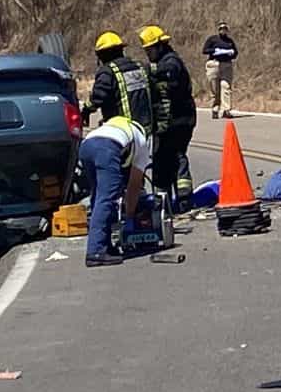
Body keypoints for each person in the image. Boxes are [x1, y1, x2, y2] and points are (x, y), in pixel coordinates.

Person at [77, 114, 151, 267]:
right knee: (107, 198)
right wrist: (129, 216)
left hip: (86, 146)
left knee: (97, 197)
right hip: (107, 148)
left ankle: (104, 245)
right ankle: (96, 251)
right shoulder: (142, 142)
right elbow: (134, 185)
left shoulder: (117, 125)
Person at [139, 25, 197, 204]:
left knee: (176, 156)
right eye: (146, 51)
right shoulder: (162, 62)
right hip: (167, 122)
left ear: (160, 46)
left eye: (150, 50)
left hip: (179, 120)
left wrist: (147, 69)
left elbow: (168, 72)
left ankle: (183, 198)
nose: (148, 54)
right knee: (163, 159)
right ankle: (165, 201)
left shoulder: (172, 61)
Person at [85, 31, 154, 131]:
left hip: (124, 131)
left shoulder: (108, 72)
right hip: (146, 130)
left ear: (102, 55)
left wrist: (85, 110)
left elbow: (98, 97)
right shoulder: (140, 67)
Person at [201, 22, 238, 119]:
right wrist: (215, 51)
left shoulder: (230, 41)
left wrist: (231, 53)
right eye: (221, 28)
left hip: (226, 65)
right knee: (215, 88)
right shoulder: (212, 39)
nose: (223, 30)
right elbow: (205, 50)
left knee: (226, 87)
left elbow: (235, 53)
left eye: (225, 29)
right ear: (218, 30)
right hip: (214, 64)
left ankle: (226, 110)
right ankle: (215, 109)